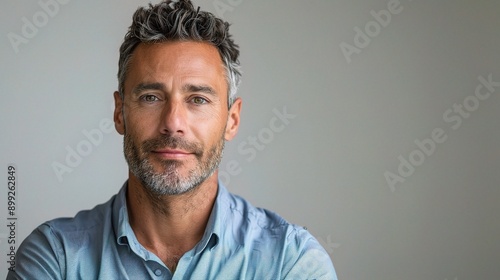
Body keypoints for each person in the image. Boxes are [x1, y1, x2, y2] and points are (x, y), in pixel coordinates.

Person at [8, 1, 337, 279]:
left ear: (232, 120)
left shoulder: (290, 262)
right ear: (120, 112)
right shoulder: (55, 258)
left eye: (198, 99)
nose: (173, 124)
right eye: (151, 97)